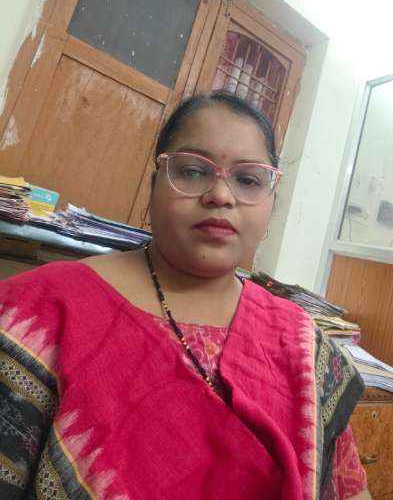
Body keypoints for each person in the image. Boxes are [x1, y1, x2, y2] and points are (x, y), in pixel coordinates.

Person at [0, 91, 371, 499]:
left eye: (248, 180)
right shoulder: (38, 310)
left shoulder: (303, 344)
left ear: (270, 203)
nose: (221, 195)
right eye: (193, 171)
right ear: (154, 183)